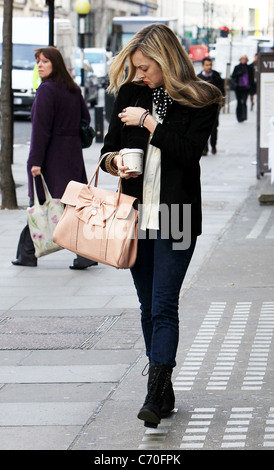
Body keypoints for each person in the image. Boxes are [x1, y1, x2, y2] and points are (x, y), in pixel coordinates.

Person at [99, 24, 223, 428]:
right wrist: (114, 163)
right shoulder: (131, 94)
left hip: (178, 214)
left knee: (164, 304)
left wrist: (150, 123)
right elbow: (106, 149)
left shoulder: (199, 98)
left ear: (166, 61)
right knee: (147, 305)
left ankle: (154, 391)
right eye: (135, 68)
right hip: (134, 214)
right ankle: (164, 387)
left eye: (146, 67)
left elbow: (189, 153)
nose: (140, 75)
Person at [12, 46, 97, 270]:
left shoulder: (47, 90)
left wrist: (36, 161)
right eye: (38, 61)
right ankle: (83, 254)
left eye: (45, 62)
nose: (40, 65)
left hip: (51, 157)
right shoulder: (73, 89)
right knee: (71, 206)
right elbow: (85, 118)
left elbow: (41, 130)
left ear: (55, 64)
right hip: (72, 155)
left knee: (41, 204)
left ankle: (28, 253)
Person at [197, 57, 225, 155]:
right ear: (203, 66)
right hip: (203, 108)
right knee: (203, 128)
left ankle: (213, 145)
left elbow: (222, 91)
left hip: (214, 107)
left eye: (210, 65)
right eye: (207, 65)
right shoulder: (198, 78)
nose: (209, 67)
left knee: (214, 128)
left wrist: (221, 104)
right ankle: (204, 149)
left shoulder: (216, 76)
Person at [232, 55, 254, 122]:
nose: (243, 60)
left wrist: (252, 89)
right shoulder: (237, 67)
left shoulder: (249, 68)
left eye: (245, 59)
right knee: (239, 102)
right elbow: (233, 76)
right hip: (238, 87)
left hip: (246, 88)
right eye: (242, 59)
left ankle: (244, 116)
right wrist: (239, 74)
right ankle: (239, 116)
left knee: (244, 102)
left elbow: (251, 79)